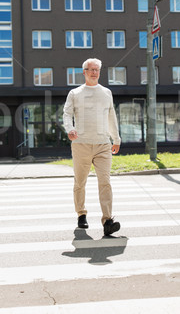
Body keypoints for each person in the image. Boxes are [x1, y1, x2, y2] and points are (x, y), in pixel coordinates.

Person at [63, 58, 121, 236]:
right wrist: (70, 129)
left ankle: (108, 220)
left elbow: (111, 116)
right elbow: (67, 113)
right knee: (80, 181)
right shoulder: (75, 93)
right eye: (90, 69)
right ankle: (81, 214)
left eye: (97, 69)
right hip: (81, 144)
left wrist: (116, 138)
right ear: (84, 72)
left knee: (105, 182)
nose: (94, 72)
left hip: (103, 144)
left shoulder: (106, 92)